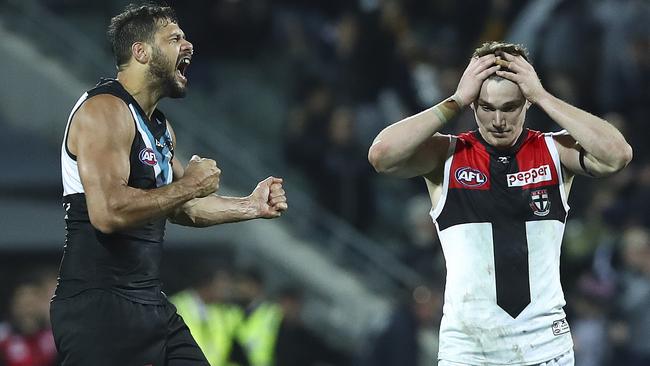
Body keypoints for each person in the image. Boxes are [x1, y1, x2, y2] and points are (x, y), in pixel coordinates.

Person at [50, 4, 288, 365]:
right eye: (175, 38)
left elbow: (180, 206)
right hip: (99, 306)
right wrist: (190, 184)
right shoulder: (104, 111)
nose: (189, 45)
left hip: (149, 302)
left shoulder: (160, 129)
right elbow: (108, 212)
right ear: (141, 51)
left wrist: (250, 205)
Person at [368, 41, 633, 365]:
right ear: (473, 105)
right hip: (469, 351)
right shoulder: (447, 155)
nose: (497, 119)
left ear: (525, 104)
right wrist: (455, 100)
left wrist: (544, 96)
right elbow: (382, 156)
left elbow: (617, 156)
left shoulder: (555, 151)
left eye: (509, 107)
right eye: (485, 106)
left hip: (545, 349)